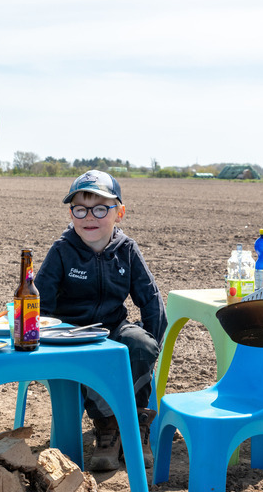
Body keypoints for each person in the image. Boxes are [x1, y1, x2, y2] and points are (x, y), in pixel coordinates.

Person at [34, 170, 167, 471]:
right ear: (71, 213)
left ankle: (136, 425)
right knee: (87, 359)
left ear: (119, 213)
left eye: (100, 209)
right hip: (72, 332)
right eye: (80, 209)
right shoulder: (62, 251)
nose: (89, 217)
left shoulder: (128, 250)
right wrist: (55, 335)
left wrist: (152, 350)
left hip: (113, 327)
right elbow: (40, 303)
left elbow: (151, 301)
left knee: (140, 346)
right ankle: (107, 425)